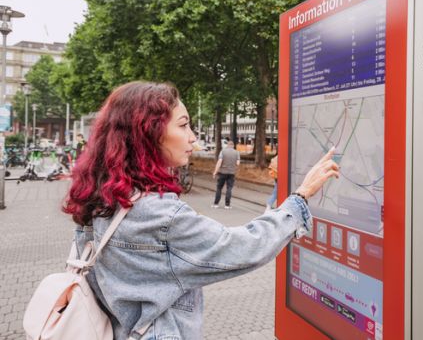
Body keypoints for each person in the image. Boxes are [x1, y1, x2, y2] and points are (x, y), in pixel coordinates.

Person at [63, 81, 339, 340]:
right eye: (183, 126)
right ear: (148, 133)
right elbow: (242, 248)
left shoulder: (103, 198)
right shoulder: (160, 215)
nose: (193, 138)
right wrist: (300, 197)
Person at [212, 140, 241, 209]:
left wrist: (215, 172)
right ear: (233, 146)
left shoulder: (223, 151)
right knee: (229, 188)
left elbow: (219, 162)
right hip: (231, 173)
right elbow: (238, 163)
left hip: (222, 172)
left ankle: (216, 204)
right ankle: (227, 205)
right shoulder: (237, 152)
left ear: (227, 145)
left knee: (219, 188)